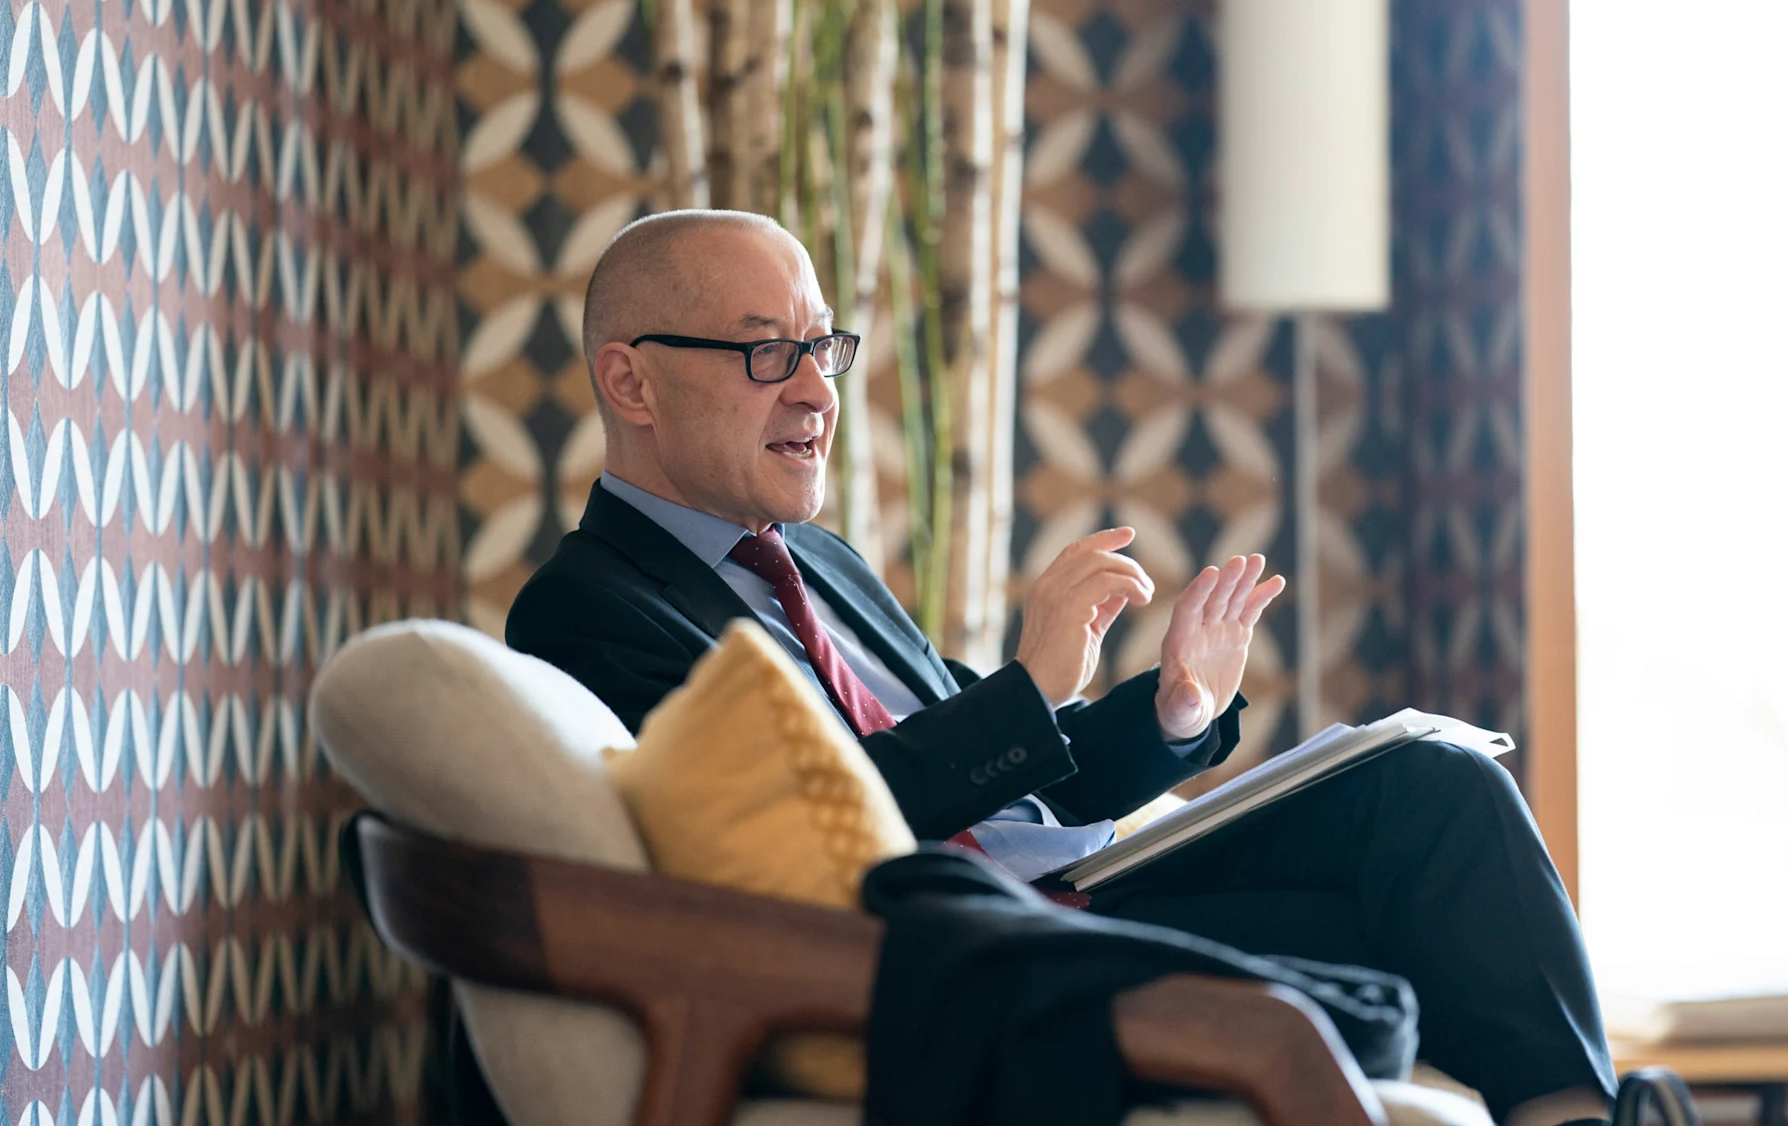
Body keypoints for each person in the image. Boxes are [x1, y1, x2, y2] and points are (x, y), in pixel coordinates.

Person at [505, 210, 1619, 1126]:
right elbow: (815, 828)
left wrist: (1174, 713)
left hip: (1069, 884)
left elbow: (1006, 779)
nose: (815, 392)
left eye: (822, 347)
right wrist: (1026, 691)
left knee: (1426, 787)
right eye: (766, 352)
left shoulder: (820, 562)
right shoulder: (588, 609)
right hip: (967, 948)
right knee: (1405, 902)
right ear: (632, 381)